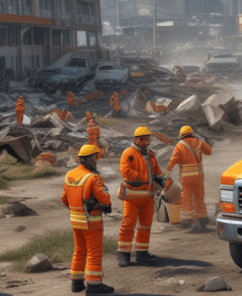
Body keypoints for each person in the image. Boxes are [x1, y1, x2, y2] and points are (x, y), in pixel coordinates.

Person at [62, 145, 114, 295]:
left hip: (76, 220)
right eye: (95, 157)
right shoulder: (93, 178)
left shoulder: (70, 175)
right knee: (94, 252)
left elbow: (64, 199)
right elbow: (104, 198)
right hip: (92, 221)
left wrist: (76, 210)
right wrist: (107, 204)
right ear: (89, 159)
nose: (96, 160)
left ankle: (77, 283)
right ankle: (94, 285)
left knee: (79, 250)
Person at [117, 126, 170, 267]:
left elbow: (156, 170)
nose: (145, 140)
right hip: (132, 197)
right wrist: (144, 177)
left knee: (145, 226)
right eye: (142, 138)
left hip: (148, 197)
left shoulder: (150, 154)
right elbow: (125, 171)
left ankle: (142, 253)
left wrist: (161, 179)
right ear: (135, 139)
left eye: (147, 138)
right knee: (128, 225)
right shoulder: (129, 153)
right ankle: (123, 253)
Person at [165, 126, 212, 232]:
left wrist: (168, 171)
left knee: (186, 197)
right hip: (199, 176)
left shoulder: (180, 145)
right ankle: (202, 218)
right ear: (192, 133)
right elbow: (209, 151)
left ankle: (186, 220)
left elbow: (174, 159)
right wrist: (205, 142)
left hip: (186, 177)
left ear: (181, 135)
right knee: (199, 197)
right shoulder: (199, 143)